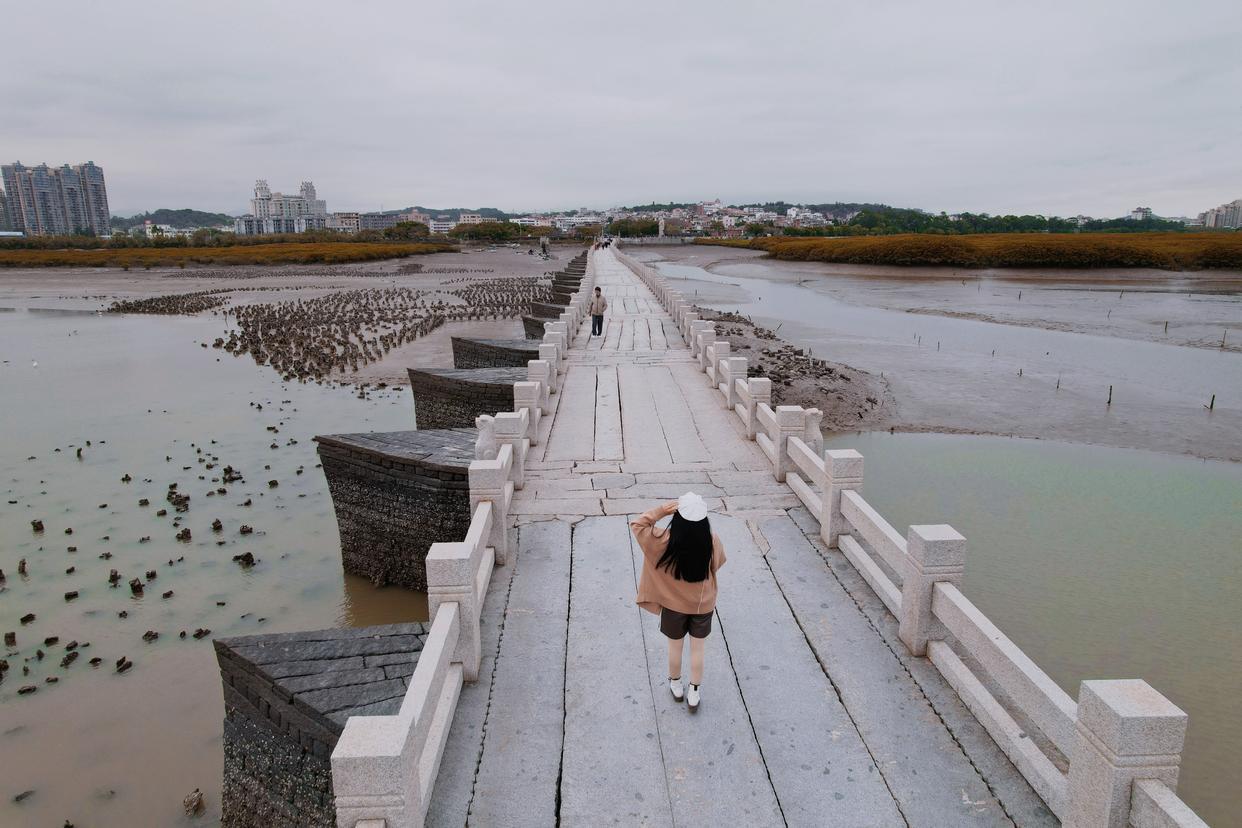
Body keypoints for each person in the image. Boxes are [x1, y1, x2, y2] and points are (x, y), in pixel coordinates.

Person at [630, 492, 726, 712]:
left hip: (673, 607)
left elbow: (638, 524)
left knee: (675, 646)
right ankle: (694, 691)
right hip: (703, 605)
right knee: (697, 649)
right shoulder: (711, 541)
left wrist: (662, 509)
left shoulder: (663, 539)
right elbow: (717, 564)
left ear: (678, 517)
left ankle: (675, 685)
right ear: (704, 520)